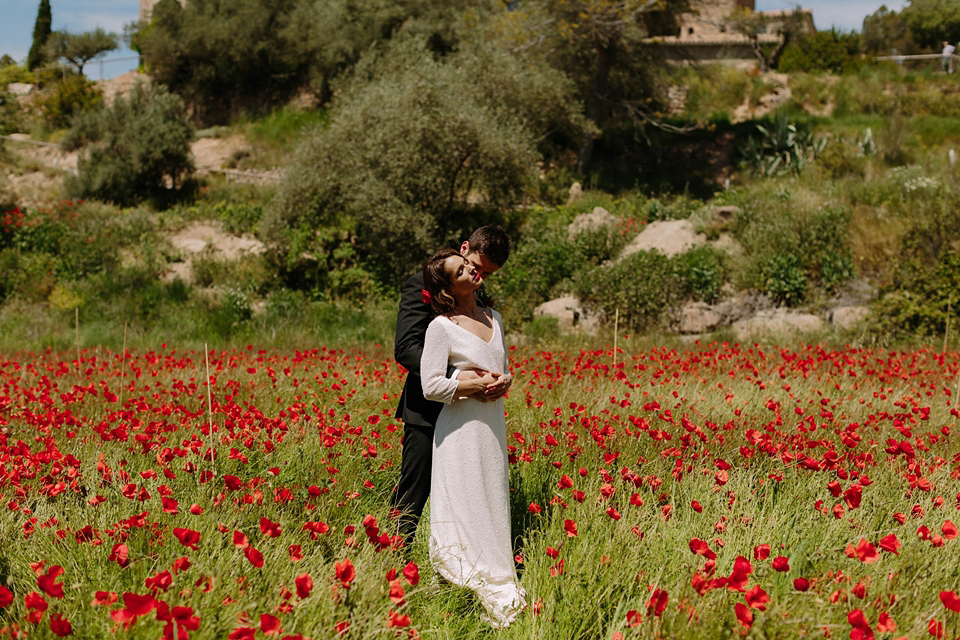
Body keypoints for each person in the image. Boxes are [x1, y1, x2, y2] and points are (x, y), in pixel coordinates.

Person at [420, 248, 525, 628]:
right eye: (460, 270)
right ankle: (465, 577)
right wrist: (470, 385)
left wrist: (505, 380)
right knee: (466, 501)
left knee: (492, 496)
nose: (470, 269)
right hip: (460, 429)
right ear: (448, 287)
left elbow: (503, 367)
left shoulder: (495, 317)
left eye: (467, 265)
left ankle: (498, 568)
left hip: (492, 423)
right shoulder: (441, 327)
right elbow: (430, 384)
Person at [390, 227, 512, 547]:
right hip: (426, 408)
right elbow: (405, 347)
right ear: (464, 247)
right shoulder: (421, 283)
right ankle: (390, 557)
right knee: (414, 489)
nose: (479, 275)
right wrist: (459, 377)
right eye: (477, 266)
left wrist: (501, 377)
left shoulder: (479, 294)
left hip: (469, 416)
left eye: (488, 273)